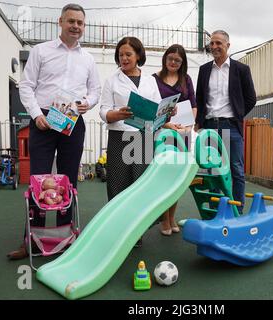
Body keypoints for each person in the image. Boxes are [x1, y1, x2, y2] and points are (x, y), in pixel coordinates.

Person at [8, 3, 101, 260]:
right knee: (38, 181)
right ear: (60, 22)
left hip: (73, 121)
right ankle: (31, 241)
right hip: (45, 120)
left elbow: (95, 91)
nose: (76, 26)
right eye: (71, 21)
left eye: (80, 23)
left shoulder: (88, 59)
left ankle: (65, 238)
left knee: (68, 182)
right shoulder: (40, 51)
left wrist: (88, 103)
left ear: (84, 26)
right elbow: (25, 86)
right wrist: (37, 115)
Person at [99, 37, 162, 247]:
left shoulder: (150, 80)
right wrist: (115, 114)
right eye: (121, 55)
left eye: (128, 54)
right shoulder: (112, 80)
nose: (124, 58)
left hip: (144, 136)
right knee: (119, 184)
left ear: (138, 56)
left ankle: (137, 232)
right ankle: (118, 230)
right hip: (120, 136)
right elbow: (103, 109)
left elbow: (157, 108)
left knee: (141, 184)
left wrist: (167, 112)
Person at [195, 30, 256, 214]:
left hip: (231, 126)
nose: (214, 47)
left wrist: (237, 114)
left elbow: (251, 98)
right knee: (213, 170)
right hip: (210, 126)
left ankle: (238, 209)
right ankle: (216, 210)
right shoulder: (204, 70)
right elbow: (199, 99)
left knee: (236, 169)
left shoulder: (241, 69)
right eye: (212, 43)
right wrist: (199, 123)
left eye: (218, 43)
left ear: (228, 45)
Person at [153, 44, 197, 236]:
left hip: (183, 133)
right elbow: (152, 108)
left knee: (177, 177)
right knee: (164, 177)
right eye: (170, 58)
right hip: (162, 133)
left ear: (182, 62)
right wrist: (165, 125)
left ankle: (172, 217)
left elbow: (194, 105)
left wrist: (189, 126)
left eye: (177, 60)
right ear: (165, 58)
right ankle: (164, 219)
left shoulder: (186, 79)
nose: (173, 62)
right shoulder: (154, 79)